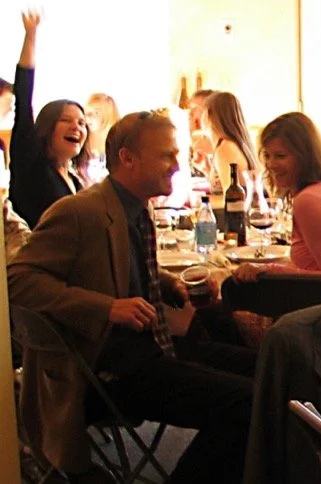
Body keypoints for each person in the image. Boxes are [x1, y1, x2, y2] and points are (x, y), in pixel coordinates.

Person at [10, 110, 255, 483]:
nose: (177, 165)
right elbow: (17, 277)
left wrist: (167, 281)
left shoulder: (133, 207)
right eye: (167, 155)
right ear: (127, 158)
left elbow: (115, 264)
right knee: (247, 403)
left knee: (266, 366)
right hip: (111, 370)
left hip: (154, 346)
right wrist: (106, 308)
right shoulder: (80, 212)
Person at [233, 112, 321, 280]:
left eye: (280, 156)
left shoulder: (309, 200)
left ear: (304, 157)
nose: (271, 164)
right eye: (267, 155)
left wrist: (268, 269)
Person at [8, 10, 90, 225]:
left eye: (82, 123)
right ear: (47, 126)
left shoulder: (75, 178)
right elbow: (23, 101)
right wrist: (31, 36)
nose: (76, 127)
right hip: (38, 257)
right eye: (66, 120)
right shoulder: (31, 164)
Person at [202, 91, 260, 200]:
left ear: (207, 115)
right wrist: (207, 170)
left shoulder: (225, 148)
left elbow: (231, 199)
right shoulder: (238, 144)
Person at [82, 92, 120, 184]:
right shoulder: (82, 143)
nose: (88, 117)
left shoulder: (118, 144)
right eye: (87, 112)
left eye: (96, 112)